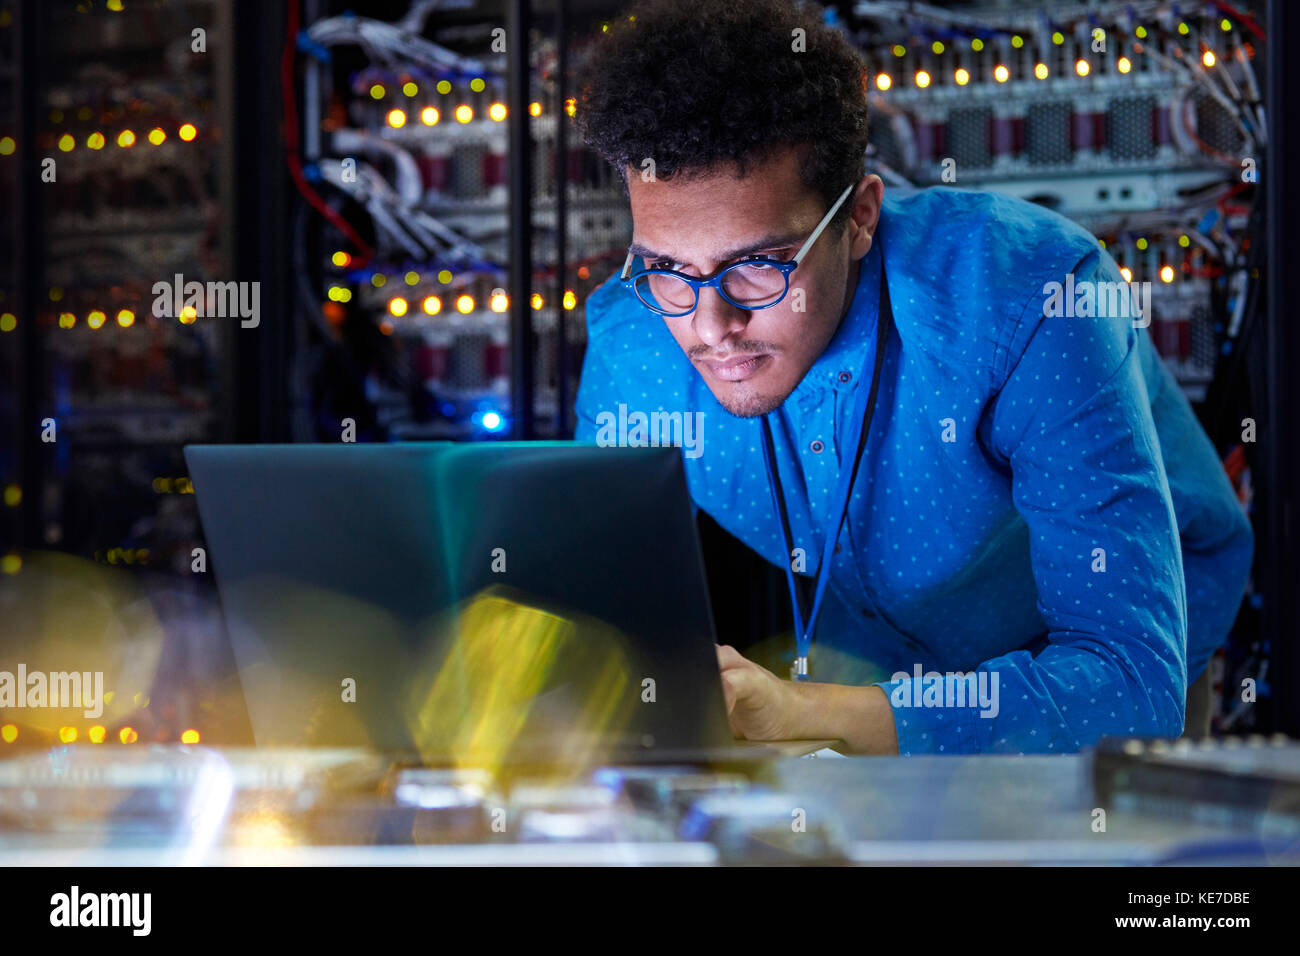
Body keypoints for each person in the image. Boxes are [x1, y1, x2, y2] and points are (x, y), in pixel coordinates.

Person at [571, 0, 1253, 754]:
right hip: (868, 648)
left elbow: (1129, 685)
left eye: (758, 266)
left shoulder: (1036, 297)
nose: (708, 327)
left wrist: (816, 714)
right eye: (668, 270)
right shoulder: (631, 343)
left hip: (1107, 659)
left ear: (859, 217)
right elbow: (600, 624)